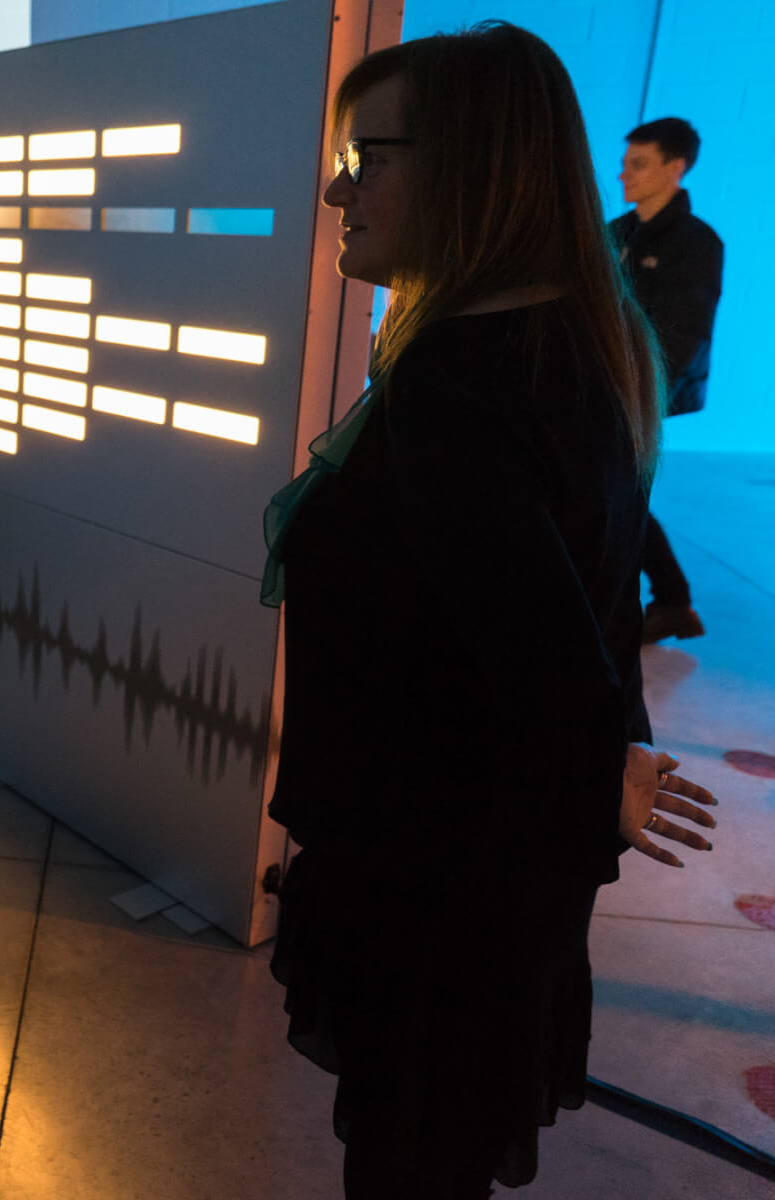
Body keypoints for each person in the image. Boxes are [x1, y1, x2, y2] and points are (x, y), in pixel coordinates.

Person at [259, 25, 719, 1198]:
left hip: (437, 887)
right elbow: (575, 607)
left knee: (413, 1159)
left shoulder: (460, 383)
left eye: (369, 158)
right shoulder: (575, 339)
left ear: (472, 166)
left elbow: (541, 643)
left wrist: (593, 752)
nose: (337, 189)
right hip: (499, 879)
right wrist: (606, 753)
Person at [611, 117, 724, 644]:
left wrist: (642, 392)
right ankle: (671, 601)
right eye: (625, 163)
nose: (623, 176)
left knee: (617, 492)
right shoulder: (617, 234)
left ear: (675, 169)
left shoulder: (697, 243)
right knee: (617, 491)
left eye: (638, 164)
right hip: (613, 386)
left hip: (644, 392)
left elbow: (685, 334)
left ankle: (669, 601)